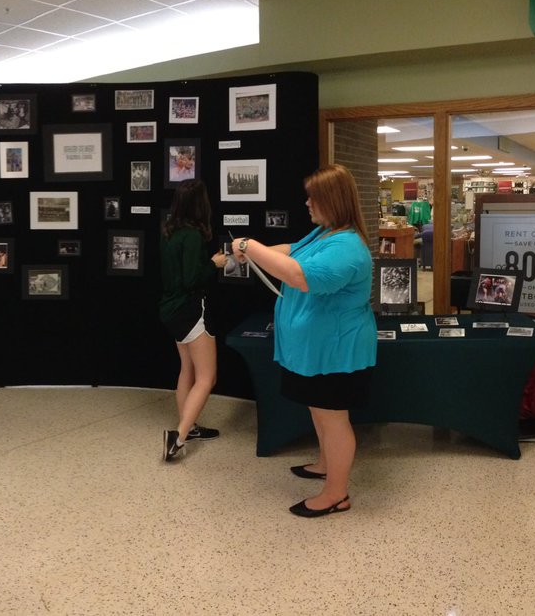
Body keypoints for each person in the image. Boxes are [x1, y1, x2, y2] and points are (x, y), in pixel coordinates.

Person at [230, 164, 376, 518]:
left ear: (333, 200)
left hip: (334, 351)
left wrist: (249, 244)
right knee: (320, 411)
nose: (307, 203)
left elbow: (299, 276)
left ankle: (336, 495)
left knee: (333, 419)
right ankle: (327, 464)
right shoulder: (325, 234)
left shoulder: (348, 246)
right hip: (315, 351)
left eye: (314, 197)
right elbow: (291, 251)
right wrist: (255, 253)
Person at [159, 179, 228, 462]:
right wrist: (215, 263)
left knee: (186, 370)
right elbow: (192, 279)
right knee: (207, 377)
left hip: (171, 310)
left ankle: (190, 426)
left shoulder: (170, 233)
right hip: (190, 310)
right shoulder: (193, 236)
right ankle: (179, 436)